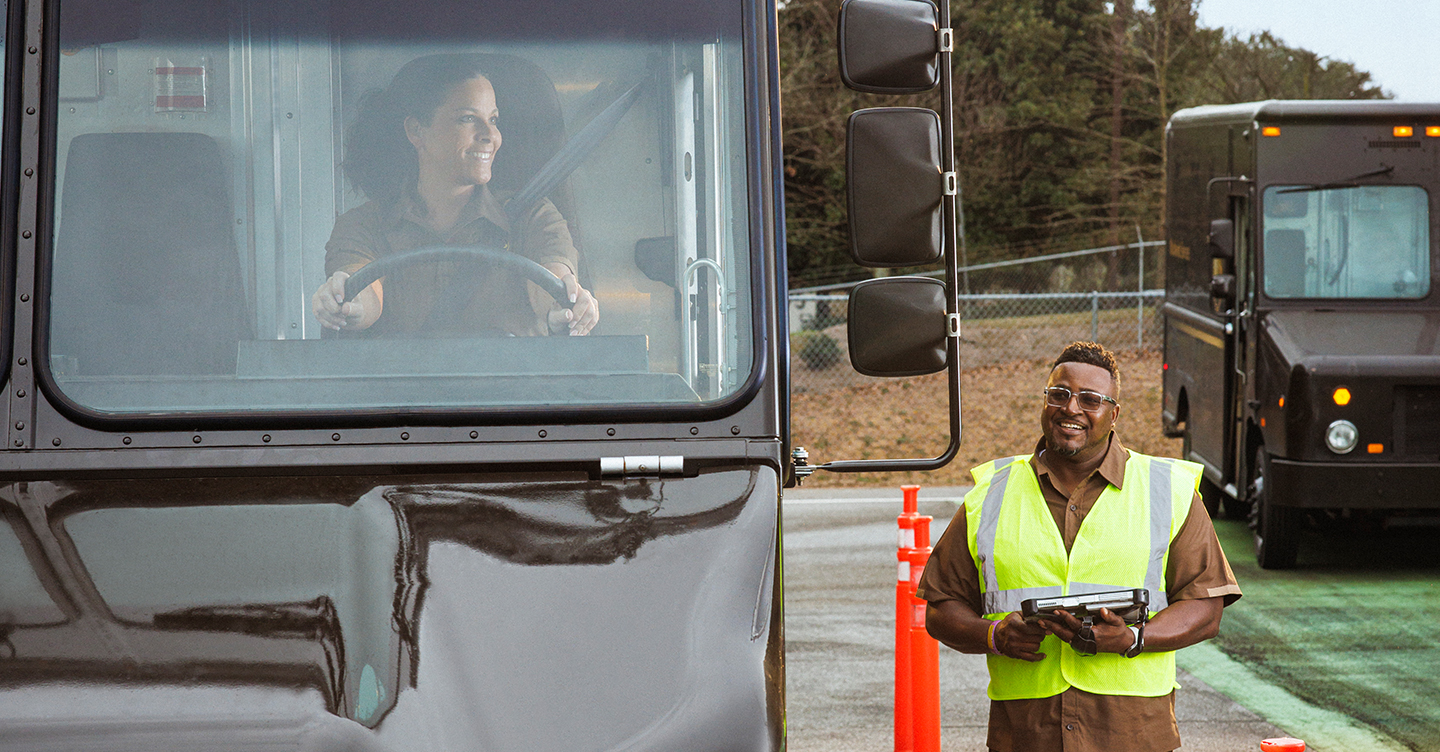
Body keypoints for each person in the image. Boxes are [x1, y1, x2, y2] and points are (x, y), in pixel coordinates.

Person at [917, 341, 1241, 752]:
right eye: (1059, 394)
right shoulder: (990, 495)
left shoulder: (1168, 490)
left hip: (1132, 733)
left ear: (1114, 414)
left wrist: (1133, 639)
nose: (1071, 408)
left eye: (1090, 399)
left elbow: (1205, 607)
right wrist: (995, 635)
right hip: (1025, 733)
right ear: (1046, 401)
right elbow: (941, 608)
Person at [311, 54, 599, 337]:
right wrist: (345, 303)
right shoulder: (364, 225)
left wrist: (568, 304)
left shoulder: (533, 216)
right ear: (416, 131)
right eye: (467, 118)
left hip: (516, 385)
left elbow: (553, 282)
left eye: (494, 119)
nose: (490, 135)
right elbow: (362, 290)